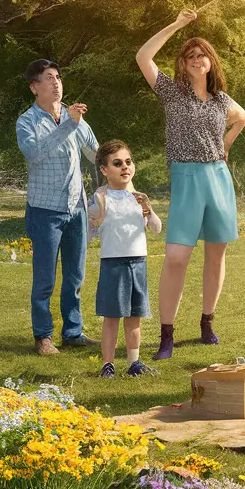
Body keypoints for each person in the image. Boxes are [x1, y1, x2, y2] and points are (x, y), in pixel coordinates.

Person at [136, 10, 245, 360]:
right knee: (176, 258)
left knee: (216, 254)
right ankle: (166, 335)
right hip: (186, 178)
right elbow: (143, 56)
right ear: (183, 65)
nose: (197, 59)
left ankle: (207, 322)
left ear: (211, 62)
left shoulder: (221, 100)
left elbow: (242, 117)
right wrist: (177, 25)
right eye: (190, 56)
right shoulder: (172, 92)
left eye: (202, 55)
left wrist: (226, 145)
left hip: (218, 178)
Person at [15, 59, 99, 356]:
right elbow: (34, 153)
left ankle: (73, 332)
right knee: (45, 279)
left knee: (75, 277)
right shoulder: (26, 121)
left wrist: (118, 172)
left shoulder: (73, 116)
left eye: (58, 77)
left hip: (77, 208)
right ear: (34, 87)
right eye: (49, 78)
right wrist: (68, 126)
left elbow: (95, 153)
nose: (56, 83)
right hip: (45, 211)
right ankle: (43, 336)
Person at [88, 140, 161, 378]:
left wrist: (149, 210)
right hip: (113, 263)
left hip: (138, 262)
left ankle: (134, 362)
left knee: (134, 317)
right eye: (117, 163)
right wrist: (95, 220)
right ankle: (107, 364)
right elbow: (90, 228)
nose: (125, 167)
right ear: (104, 170)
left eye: (128, 162)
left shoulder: (138, 197)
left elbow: (156, 229)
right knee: (112, 317)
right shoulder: (101, 196)